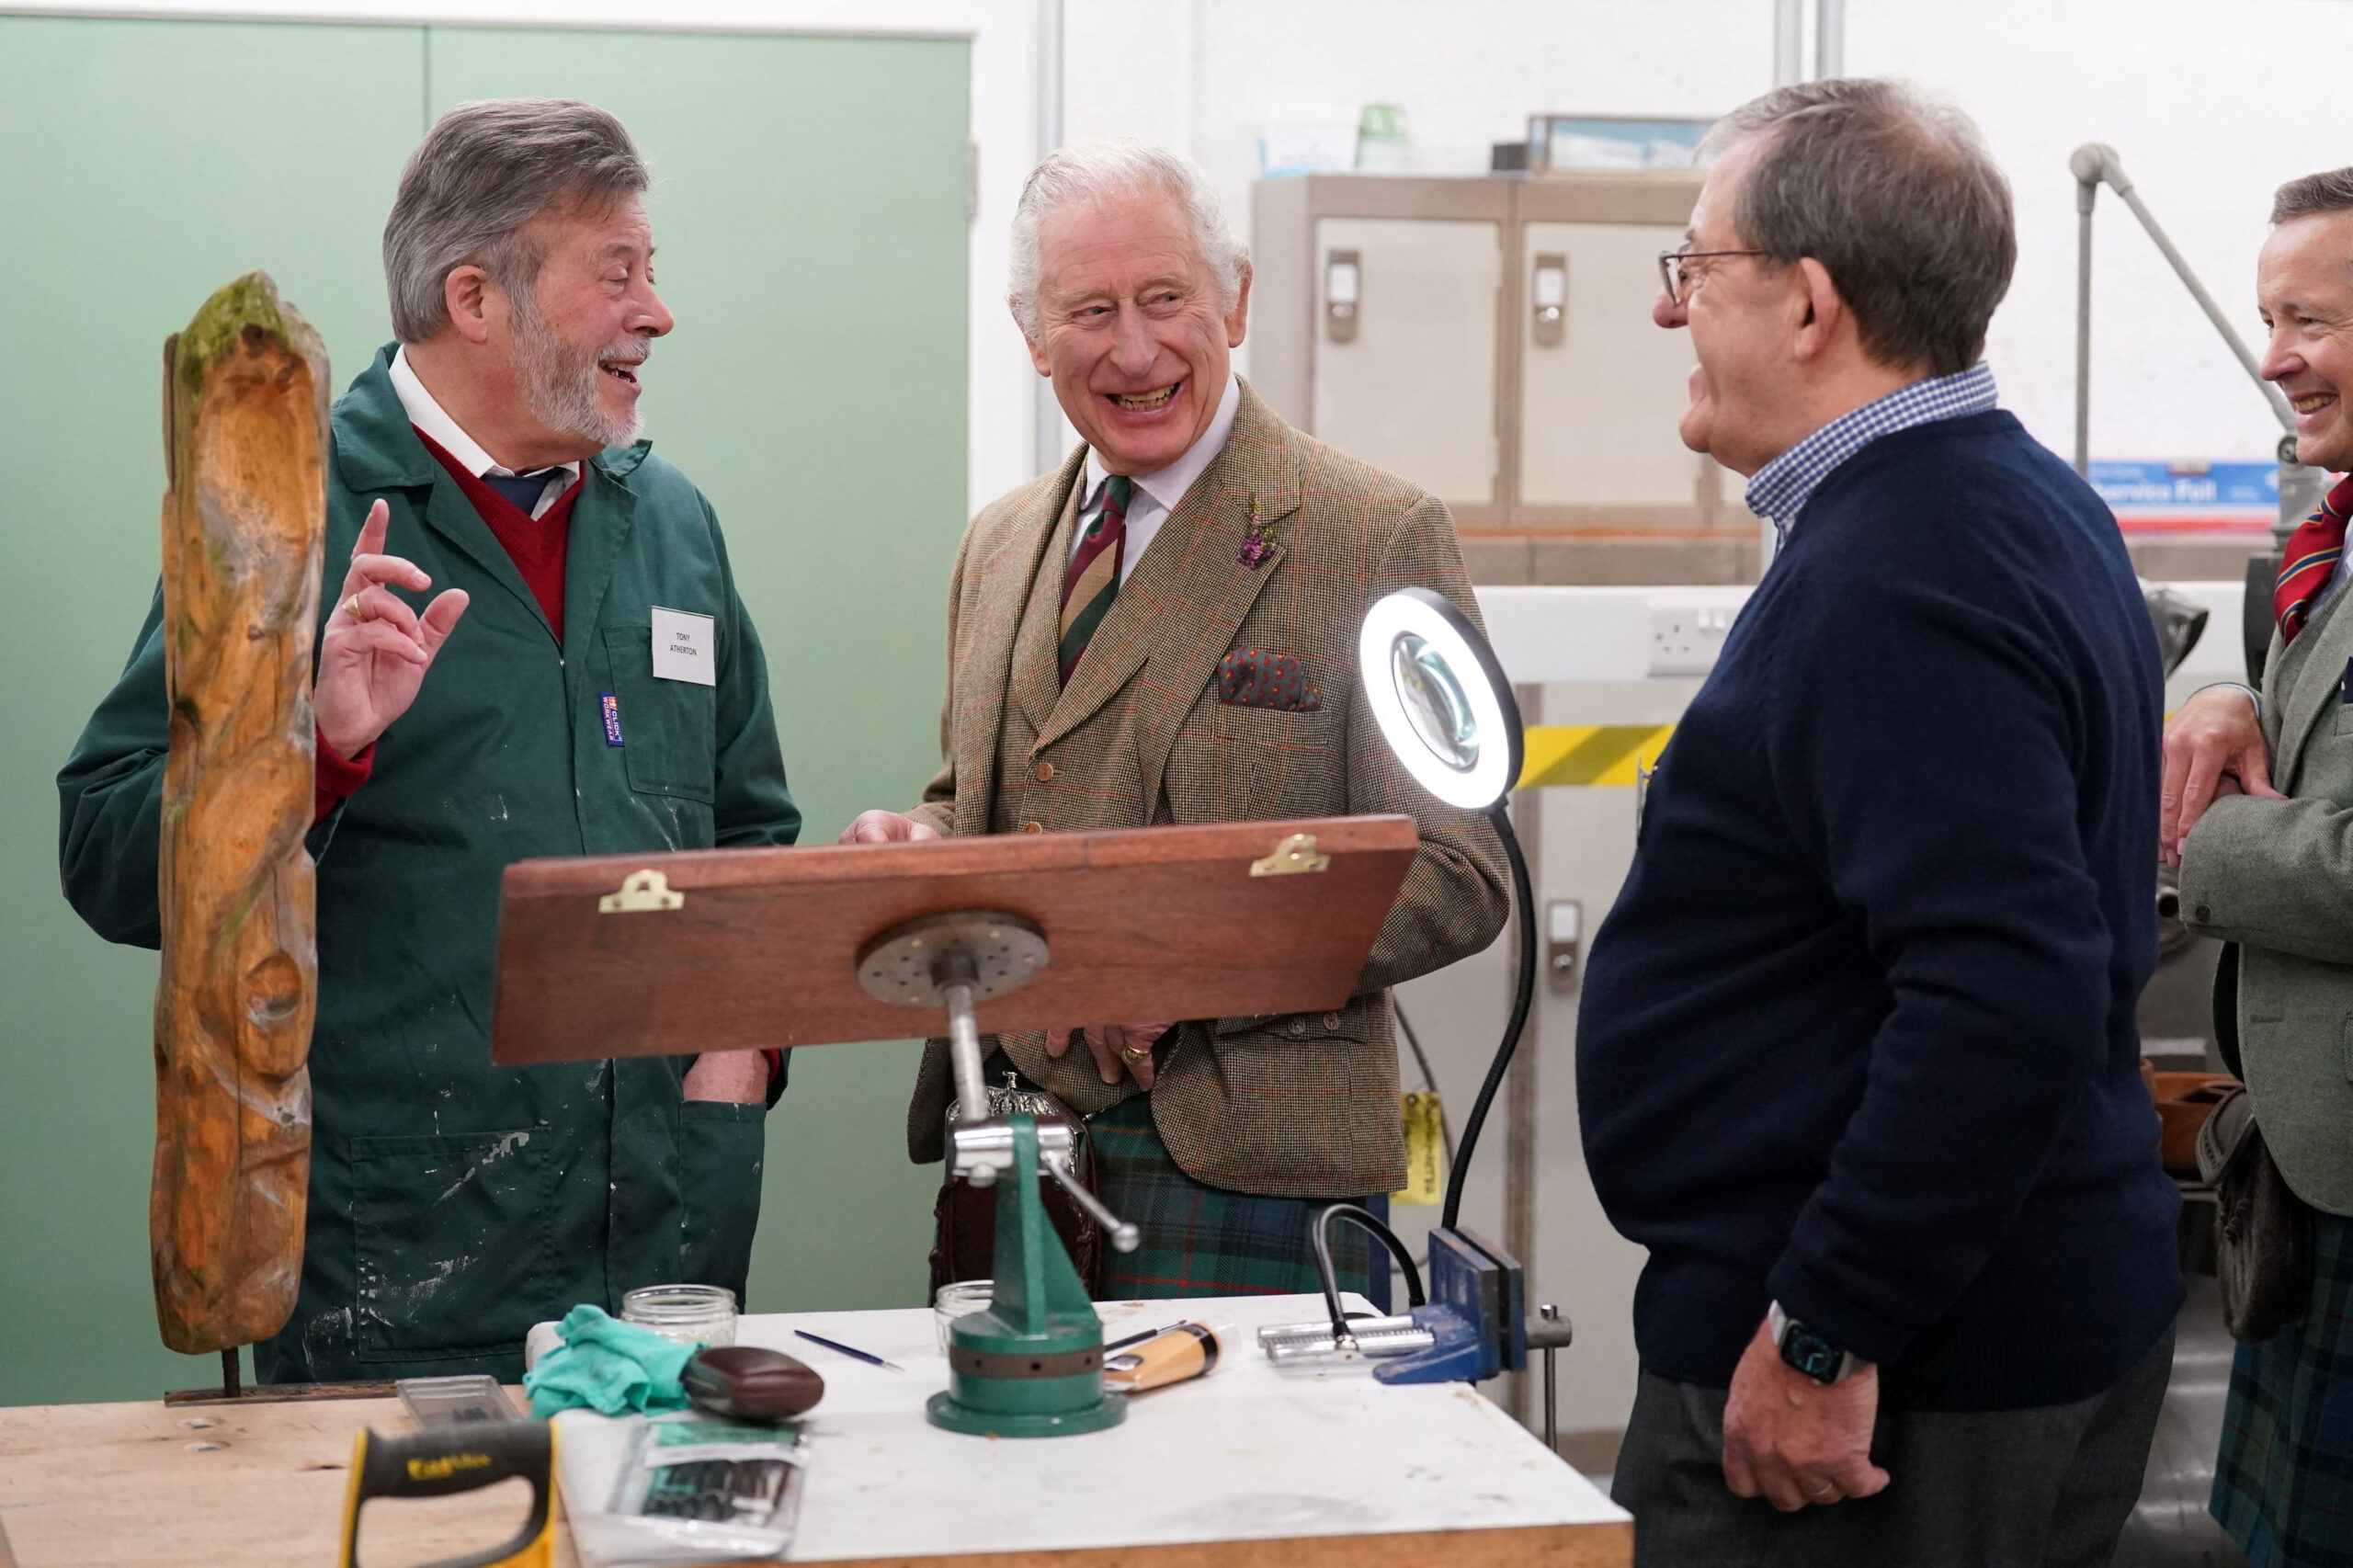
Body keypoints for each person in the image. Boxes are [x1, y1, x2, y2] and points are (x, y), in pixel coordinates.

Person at [58, 98, 800, 1383]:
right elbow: (109, 855)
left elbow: (751, 830)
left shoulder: (671, 520)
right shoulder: (291, 511)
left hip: (671, 1254)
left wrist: (744, 1054)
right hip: (393, 1265)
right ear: (476, 297)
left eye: (653, 272)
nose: (657, 312)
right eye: (616, 273)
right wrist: (310, 750)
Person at [1575, 79, 2181, 1567]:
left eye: (1695, 269)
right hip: (1979, 1326)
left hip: (1894, 1391)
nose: (1671, 313)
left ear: (1807, 304)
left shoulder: (1900, 574)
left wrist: (1829, 1325)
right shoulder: (2015, 504)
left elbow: (2005, 991)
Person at [841, 138, 1508, 1304]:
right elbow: (981, 799)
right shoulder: (998, 546)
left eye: (1165, 299)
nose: (1134, 349)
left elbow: (1458, 871)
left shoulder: (1370, 535)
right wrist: (921, 849)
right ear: (1030, 331)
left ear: (1235, 301)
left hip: (1250, 1171)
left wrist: (1192, 969)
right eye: (1090, 309)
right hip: (1011, 1147)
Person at [2166, 166, 2353, 1568]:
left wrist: (2186, 835)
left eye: (2312, 320)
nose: (2275, 358)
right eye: (2268, 318)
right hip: (2314, 1154)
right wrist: (2239, 696)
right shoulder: (2331, 537)